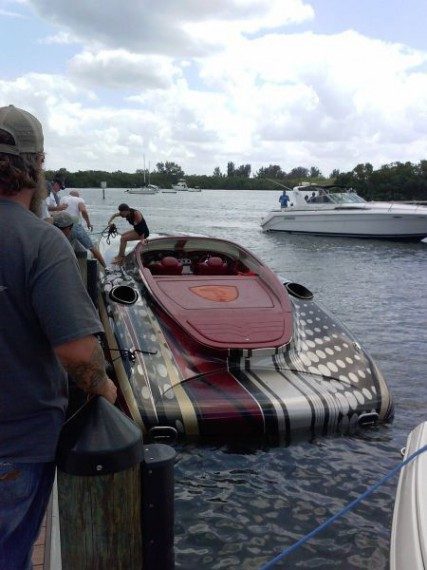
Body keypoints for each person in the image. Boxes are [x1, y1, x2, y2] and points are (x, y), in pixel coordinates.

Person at [0, 104, 117, 569]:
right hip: (15, 446)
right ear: (38, 165)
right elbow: (77, 353)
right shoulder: (41, 242)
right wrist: (104, 389)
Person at [58, 190, 106, 267]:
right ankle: (105, 266)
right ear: (77, 196)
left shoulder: (63, 199)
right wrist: (88, 223)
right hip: (76, 226)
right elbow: (83, 210)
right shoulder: (79, 199)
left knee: (64, 248)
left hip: (64, 228)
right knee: (91, 247)